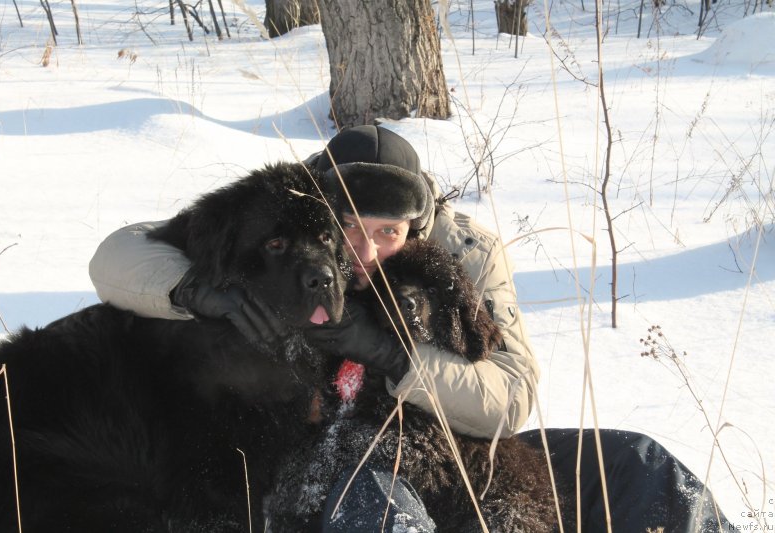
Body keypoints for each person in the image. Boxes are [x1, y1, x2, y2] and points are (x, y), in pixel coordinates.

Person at [89, 126, 730, 532]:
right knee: (378, 507)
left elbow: (510, 397)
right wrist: (195, 291)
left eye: (388, 233)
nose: (367, 253)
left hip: (464, 457)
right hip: (330, 463)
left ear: (418, 226)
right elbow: (118, 255)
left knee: (637, 465)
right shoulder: (277, 239)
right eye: (350, 230)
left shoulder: (466, 254)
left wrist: (400, 360)